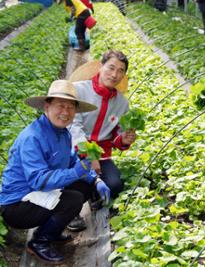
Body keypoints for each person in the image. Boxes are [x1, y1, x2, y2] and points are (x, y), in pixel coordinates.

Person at [0, 80, 110, 264]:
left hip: (37, 194)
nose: (65, 112)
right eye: (60, 105)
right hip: (18, 204)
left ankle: (51, 229)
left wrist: (95, 180)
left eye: (70, 107)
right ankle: (39, 242)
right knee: (73, 199)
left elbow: (72, 160)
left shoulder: (63, 132)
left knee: (83, 186)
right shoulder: (33, 137)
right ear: (47, 106)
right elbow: (39, 180)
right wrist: (76, 172)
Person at [68, 50, 136, 218]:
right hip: (74, 151)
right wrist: (89, 155)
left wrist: (124, 139)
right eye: (111, 67)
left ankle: (94, 195)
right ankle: (70, 211)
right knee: (74, 181)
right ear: (100, 66)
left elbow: (116, 136)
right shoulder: (79, 90)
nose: (114, 74)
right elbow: (73, 125)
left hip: (103, 155)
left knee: (115, 184)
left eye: (121, 71)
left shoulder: (121, 103)